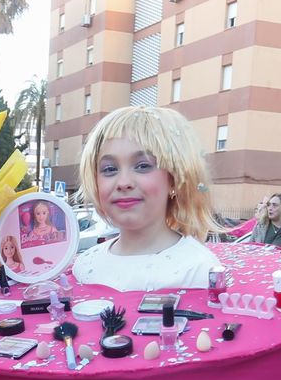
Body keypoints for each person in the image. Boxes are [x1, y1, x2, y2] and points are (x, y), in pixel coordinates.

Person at [69, 106, 218, 292]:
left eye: (142, 166)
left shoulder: (198, 269)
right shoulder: (84, 265)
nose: (123, 182)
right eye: (109, 169)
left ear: (174, 179)